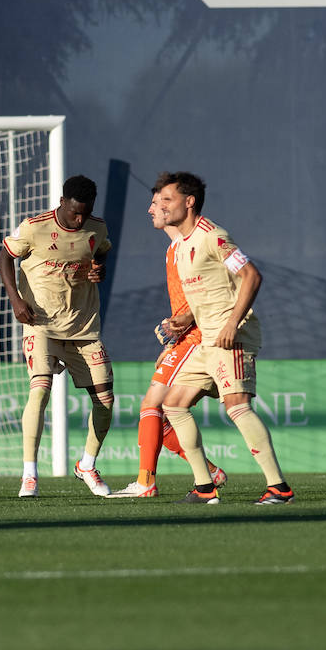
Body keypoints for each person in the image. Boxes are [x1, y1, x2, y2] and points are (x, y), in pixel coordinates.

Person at [154, 172, 294, 504]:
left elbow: (251, 276)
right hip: (207, 340)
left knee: (237, 406)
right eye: (159, 200)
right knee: (173, 404)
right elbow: (208, 294)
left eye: (167, 200)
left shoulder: (213, 236)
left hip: (230, 336)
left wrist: (232, 323)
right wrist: (183, 321)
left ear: (189, 202)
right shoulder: (183, 245)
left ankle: (279, 487)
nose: (160, 205)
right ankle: (205, 488)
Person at [0, 175, 114, 499]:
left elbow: (101, 253)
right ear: (63, 203)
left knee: (105, 399)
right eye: (75, 212)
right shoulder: (34, 227)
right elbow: (5, 256)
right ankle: (29, 475)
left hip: (83, 326)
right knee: (40, 392)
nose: (79, 220)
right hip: (41, 322)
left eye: (85, 213)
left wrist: (99, 268)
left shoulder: (97, 227)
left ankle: (87, 464)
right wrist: (16, 300)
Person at [108, 182, 227, 497]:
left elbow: (222, 286)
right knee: (161, 413)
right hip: (189, 339)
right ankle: (210, 474)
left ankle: (147, 483)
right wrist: (172, 338)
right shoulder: (176, 248)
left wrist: (187, 321)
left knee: (154, 404)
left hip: (203, 339)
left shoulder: (201, 241)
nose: (152, 209)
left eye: (161, 202)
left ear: (183, 205)